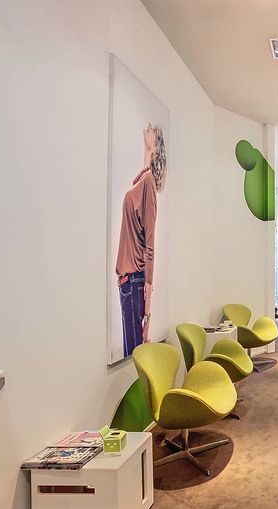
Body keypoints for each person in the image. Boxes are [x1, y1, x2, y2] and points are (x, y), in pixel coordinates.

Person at [115, 124, 167, 357]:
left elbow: (150, 243)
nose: (147, 130)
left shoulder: (148, 185)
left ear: (157, 146)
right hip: (128, 283)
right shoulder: (143, 181)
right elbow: (144, 171)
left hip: (135, 282)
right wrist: (147, 153)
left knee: (134, 357)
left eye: (152, 131)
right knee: (132, 353)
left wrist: (148, 308)